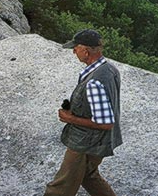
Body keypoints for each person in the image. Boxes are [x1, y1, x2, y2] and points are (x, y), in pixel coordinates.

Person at [43, 28, 123, 196]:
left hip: (86, 143)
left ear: (86, 51)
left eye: (76, 48)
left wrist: (69, 118)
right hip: (95, 141)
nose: (73, 51)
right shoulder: (110, 69)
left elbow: (105, 123)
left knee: (60, 186)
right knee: (88, 176)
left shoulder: (95, 81)